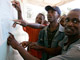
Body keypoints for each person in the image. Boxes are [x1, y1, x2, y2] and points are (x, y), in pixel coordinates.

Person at [7, 8, 80, 60]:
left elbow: (56, 51)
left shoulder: (76, 49)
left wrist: (17, 46)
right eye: (67, 20)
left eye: (75, 21)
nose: (70, 24)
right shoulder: (67, 37)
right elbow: (56, 49)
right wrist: (30, 43)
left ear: (58, 16)